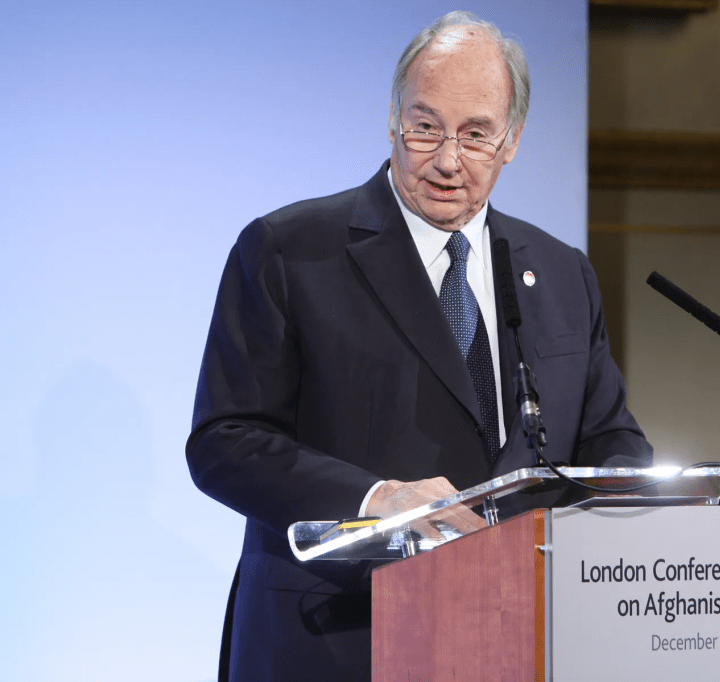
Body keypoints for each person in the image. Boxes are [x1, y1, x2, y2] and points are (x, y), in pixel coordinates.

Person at [186, 11, 652, 681]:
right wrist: (374, 498)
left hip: (512, 638)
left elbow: (611, 439)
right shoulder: (289, 251)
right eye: (426, 126)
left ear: (512, 139)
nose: (447, 159)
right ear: (393, 119)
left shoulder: (560, 273)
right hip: (337, 640)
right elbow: (225, 442)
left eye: (475, 134)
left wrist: (636, 504)